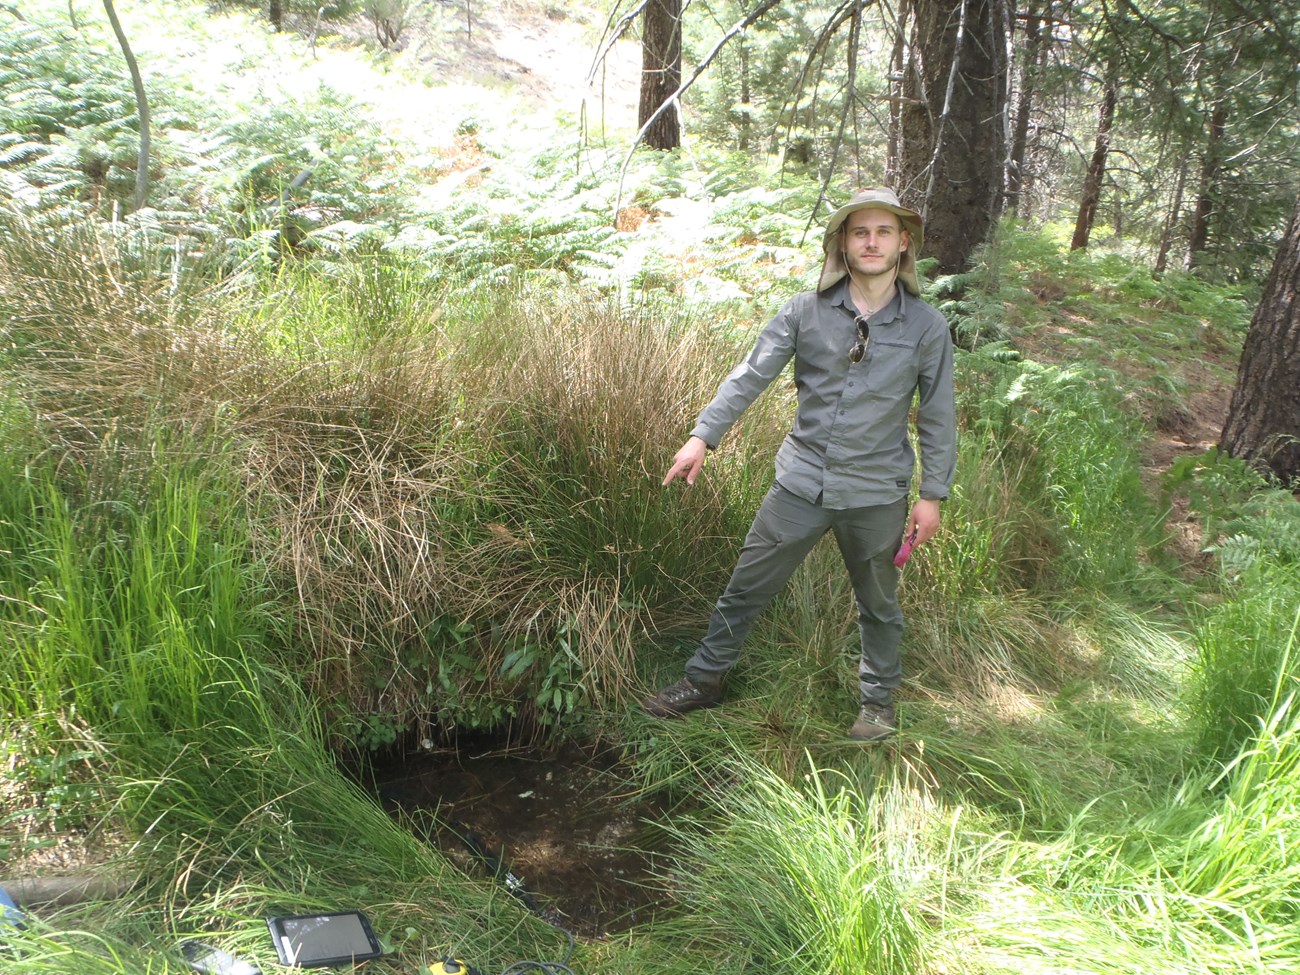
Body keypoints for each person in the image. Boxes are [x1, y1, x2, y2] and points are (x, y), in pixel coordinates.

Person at [642, 187, 956, 741]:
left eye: (884, 232)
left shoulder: (926, 327)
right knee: (746, 588)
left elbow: (937, 413)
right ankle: (704, 681)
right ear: (843, 242)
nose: (872, 242)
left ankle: (877, 707)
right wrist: (701, 437)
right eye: (860, 232)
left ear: (903, 244)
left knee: (878, 605)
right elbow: (750, 376)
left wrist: (932, 495)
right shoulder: (804, 310)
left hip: (877, 492)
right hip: (800, 482)